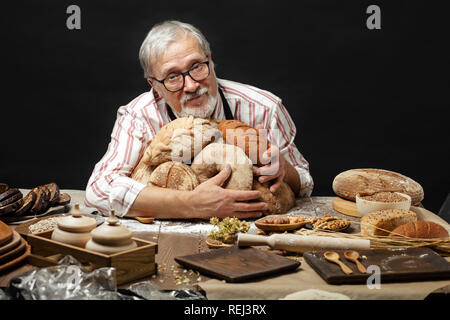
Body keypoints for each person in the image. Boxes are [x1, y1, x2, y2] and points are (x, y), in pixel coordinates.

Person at [85, 20, 313, 219]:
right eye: (173, 77)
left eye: (197, 67)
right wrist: (192, 205)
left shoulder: (263, 107)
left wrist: (283, 167)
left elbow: (305, 181)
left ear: (210, 61)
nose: (192, 85)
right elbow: (99, 188)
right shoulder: (140, 116)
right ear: (154, 86)